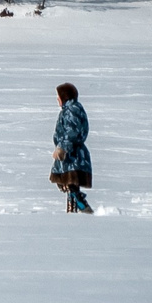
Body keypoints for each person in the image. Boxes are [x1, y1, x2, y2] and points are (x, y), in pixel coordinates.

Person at [51, 82, 93, 214]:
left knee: (70, 183)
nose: (57, 100)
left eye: (59, 96)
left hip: (72, 155)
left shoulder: (71, 111)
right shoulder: (71, 109)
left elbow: (71, 131)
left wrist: (62, 148)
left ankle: (78, 208)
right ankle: (73, 208)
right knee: (65, 183)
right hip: (71, 154)